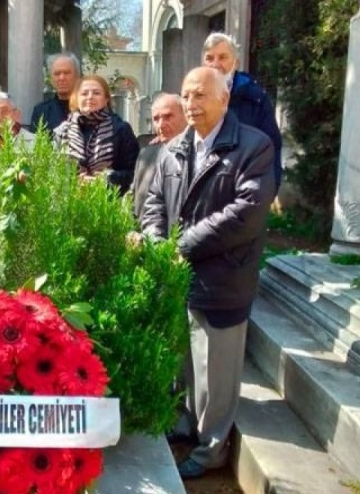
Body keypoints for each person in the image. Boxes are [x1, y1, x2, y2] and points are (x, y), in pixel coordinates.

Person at [140, 67, 276, 479]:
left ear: (224, 99)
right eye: (185, 95)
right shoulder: (174, 148)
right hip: (179, 275)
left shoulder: (253, 146)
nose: (190, 104)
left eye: (200, 95)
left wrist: (180, 245)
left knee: (217, 370)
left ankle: (213, 449)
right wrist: (154, 239)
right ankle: (186, 423)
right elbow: (153, 203)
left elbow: (246, 213)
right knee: (186, 360)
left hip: (223, 276)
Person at [201, 32, 283, 190]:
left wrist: (267, 192)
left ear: (236, 63)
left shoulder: (255, 98)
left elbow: (272, 145)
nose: (215, 64)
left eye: (222, 57)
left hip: (243, 190)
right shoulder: (192, 97)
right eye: (209, 58)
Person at [52, 75, 140, 194]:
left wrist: (105, 180)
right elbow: (52, 172)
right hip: (70, 202)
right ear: (76, 98)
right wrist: (74, 182)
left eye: (96, 93)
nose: (90, 97)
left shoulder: (121, 129)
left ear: (106, 99)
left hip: (109, 204)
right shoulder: (62, 132)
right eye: (84, 93)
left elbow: (135, 173)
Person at [131, 92, 187, 217]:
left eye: (168, 116)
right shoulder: (146, 155)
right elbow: (134, 199)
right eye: (156, 119)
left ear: (186, 116)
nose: (161, 124)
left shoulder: (197, 154)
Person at [30, 52, 80, 133]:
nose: (62, 78)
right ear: (51, 79)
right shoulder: (41, 111)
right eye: (57, 74)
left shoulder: (89, 107)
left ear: (77, 76)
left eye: (67, 73)